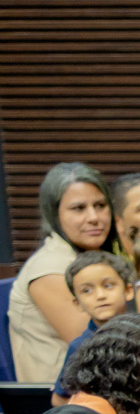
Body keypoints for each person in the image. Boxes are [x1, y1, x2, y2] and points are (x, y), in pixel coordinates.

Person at [10, 162, 117, 383]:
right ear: (54, 215)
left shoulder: (99, 257)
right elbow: (97, 347)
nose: (94, 217)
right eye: (79, 209)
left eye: (100, 205)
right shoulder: (49, 269)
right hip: (60, 396)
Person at [50, 252, 139, 400]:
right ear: (77, 303)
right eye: (87, 290)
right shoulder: (80, 347)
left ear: (128, 291)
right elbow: (60, 399)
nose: (100, 295)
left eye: (108, 286)